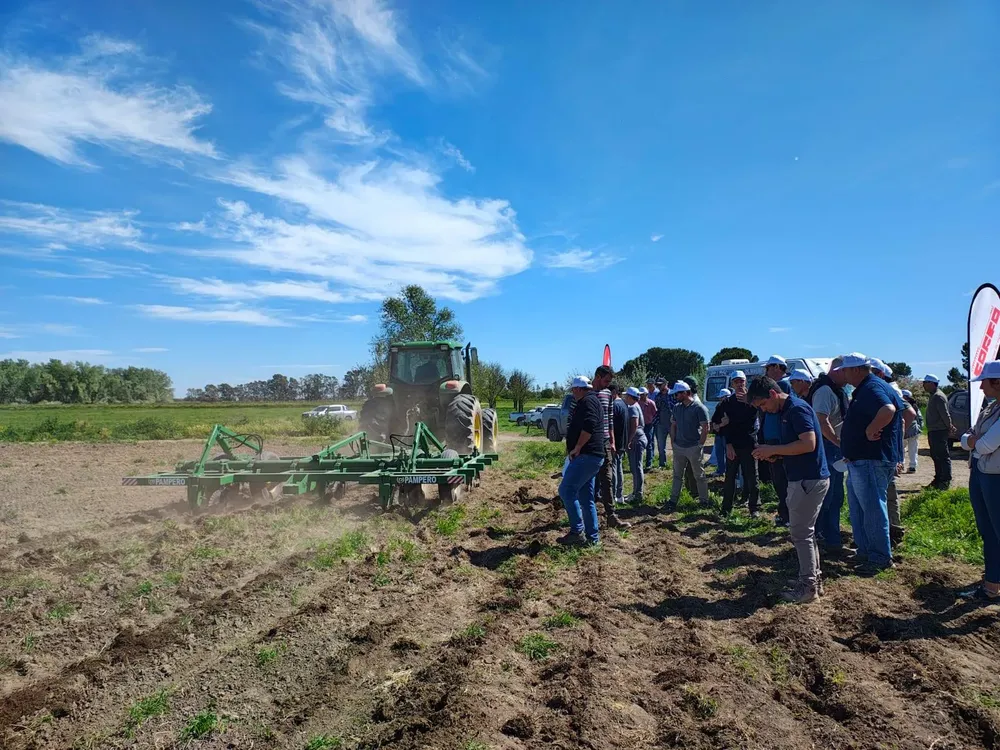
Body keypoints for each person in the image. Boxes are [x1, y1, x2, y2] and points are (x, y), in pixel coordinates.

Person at [750, 376, 830, 603]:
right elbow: (797, 446)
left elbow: (808, 443)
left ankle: (808, 588)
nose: (764, 410)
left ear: (773, 394)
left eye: (763, 405)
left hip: (807, 480)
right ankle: (813, 580)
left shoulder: (796, 410)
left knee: (801, 534)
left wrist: (774, 449)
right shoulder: (787, 411)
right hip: (804, 478)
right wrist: (774, 454)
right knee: (806, 533)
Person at [837, 354, 907, 573]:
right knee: (864, 508)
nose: (843, 374)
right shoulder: (870, 387)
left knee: (873, 509)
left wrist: (870, 430)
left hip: (871, 459)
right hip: (864, 459)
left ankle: (878, 557)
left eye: (846, 370)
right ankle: (867, 551)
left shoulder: (872, 388)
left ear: (857, 369)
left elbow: (889, 410)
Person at [958, 360, 1000, 602]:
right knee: (988, 531)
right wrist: (973, 441)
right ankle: (992, 584)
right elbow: (969, 438)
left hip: (995, 477)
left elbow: (983, 444)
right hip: (984, 474)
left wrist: (974, 441)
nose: (981, 387)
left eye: (985, 381)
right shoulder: (991, 408)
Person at [808, 357, 850, 553]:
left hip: (834, 448)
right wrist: (839, 443)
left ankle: (832, 537)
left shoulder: (837, 390)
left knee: (835, 497)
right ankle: (823, 537)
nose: (849, 377)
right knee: (828, 496)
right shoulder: (825, 391)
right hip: (829, 448)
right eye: (847, 372)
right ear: (838, 371)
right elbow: (821, 421)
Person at [558, 376, 605, 546]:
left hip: (587, 455)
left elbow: (590, 425)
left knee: (566, 490)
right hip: (592, 456)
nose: (572, 392)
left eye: (573, 389)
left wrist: (577, 447)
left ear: (578, 389)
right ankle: (593, 539)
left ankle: (577, 531)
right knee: (586, 498)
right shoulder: (591, 401)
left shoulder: (587, 402)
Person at [593, 365, 631, 530]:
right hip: (590, 443)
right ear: (597, 377)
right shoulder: (586, 393)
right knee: (588, 480)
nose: (608, 384)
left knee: (607, 479)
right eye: (606, 381)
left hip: (606, 442)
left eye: (610, 381)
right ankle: (587, 516)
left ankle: (611, 515)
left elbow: (609, 420)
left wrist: (613, 441)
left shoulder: (608, 394)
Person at [718, 372, 760, 517]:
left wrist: (749, 401)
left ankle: (754, 508)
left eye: (741, 381)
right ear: (732, 384)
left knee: (752, 477)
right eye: (736, 382)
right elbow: (719, 424)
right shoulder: (727, 402)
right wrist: (727, 443)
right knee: (730, 478)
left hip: (749, 443)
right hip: (733, 445)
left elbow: (759, 416)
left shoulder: (754, 400)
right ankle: (726, 509)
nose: (739, 384)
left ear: (745, 382)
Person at [664, 381, 711, 510]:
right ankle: (673, 501)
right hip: (679, 447)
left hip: (693, 447)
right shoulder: (677, 407)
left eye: (677, 394)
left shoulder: (699, 408)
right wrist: (673, 442)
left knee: (699, 475)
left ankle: (704, 501)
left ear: (685, 393)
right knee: (677, 475)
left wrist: (700, 445)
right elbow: (673, 425)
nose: (675, 397)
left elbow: (705, 428)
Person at [762, 355, 792, 526]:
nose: (766, 372)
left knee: (782, 480)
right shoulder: (778, 386)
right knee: (778, 480)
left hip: (778, 440)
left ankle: (786, 515)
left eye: (768, 368)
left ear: (777, 368)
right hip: (772, 438)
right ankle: (784, 513)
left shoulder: (782, 386)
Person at [923, 374, 956, 490]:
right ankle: (938, 479)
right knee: (936, 455)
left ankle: (945, 480)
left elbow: (945, 414)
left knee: (942, 455)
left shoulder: (938, 396)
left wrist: (949, 426)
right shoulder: (934, 396)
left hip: (939, 430)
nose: (923, 385)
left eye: (925, 382)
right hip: (934, 430)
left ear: (932, 383)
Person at [623, 387, 648, 504]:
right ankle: (635, 492)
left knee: (637, 467)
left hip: (636, 440)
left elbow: (634, 425)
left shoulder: (633, 407)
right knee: (635, 467)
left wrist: (629, 440)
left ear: (630, 397)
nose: (624, 398)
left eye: (626, 396)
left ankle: (638, 494)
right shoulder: (635, 406)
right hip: (637, 439)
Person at [610, 383, 628, 505]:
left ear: (614, 393)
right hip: (622, 441)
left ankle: (615, 495)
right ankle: (619, 495)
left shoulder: (615, 405)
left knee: (614, 469)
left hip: (616, 441)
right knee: (619, 468)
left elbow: (612, 426)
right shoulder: (623, 404)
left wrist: (612, 442)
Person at [709, 388, 732, 476]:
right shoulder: (718, 406)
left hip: (727, 435)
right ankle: (720, 470)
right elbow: (714, 418)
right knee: (719, 453)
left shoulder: (731, 407)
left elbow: (728, 421)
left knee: (728, 454)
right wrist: (715, 425)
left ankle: (729, 471)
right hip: (719, 434)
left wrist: (719, 426)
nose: (720, 399)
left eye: (722, 397)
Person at [653, 378, 673, 469]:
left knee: (676, 444)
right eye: (657, 385)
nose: (658, 386)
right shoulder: (657, 396)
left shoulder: (673, 394)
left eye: (660, 385)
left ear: (666, 384)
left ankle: (676, 463)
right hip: (661, 423)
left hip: (673, 423)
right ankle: (662, 464)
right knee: (661, 446)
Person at [901, 389, 922, 473]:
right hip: (914, 430)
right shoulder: (915, 406)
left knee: (901, 449)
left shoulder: (903, 405)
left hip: (905, 430)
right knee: (913, 449)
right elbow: (920, 419)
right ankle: (912, 466)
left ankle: (901, 465)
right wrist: (919, 428)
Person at [638, 387, 658, 471]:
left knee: (649, 444)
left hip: (649, 425)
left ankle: (648, 464)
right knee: (639, 444)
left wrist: (652, 422)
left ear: (646, 394)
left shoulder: (651, 403)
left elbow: (655, 414)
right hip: (640, 426)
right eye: (640, 394)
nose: (641, 396)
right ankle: (639, 463)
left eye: (642, 394)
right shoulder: (638, 403)